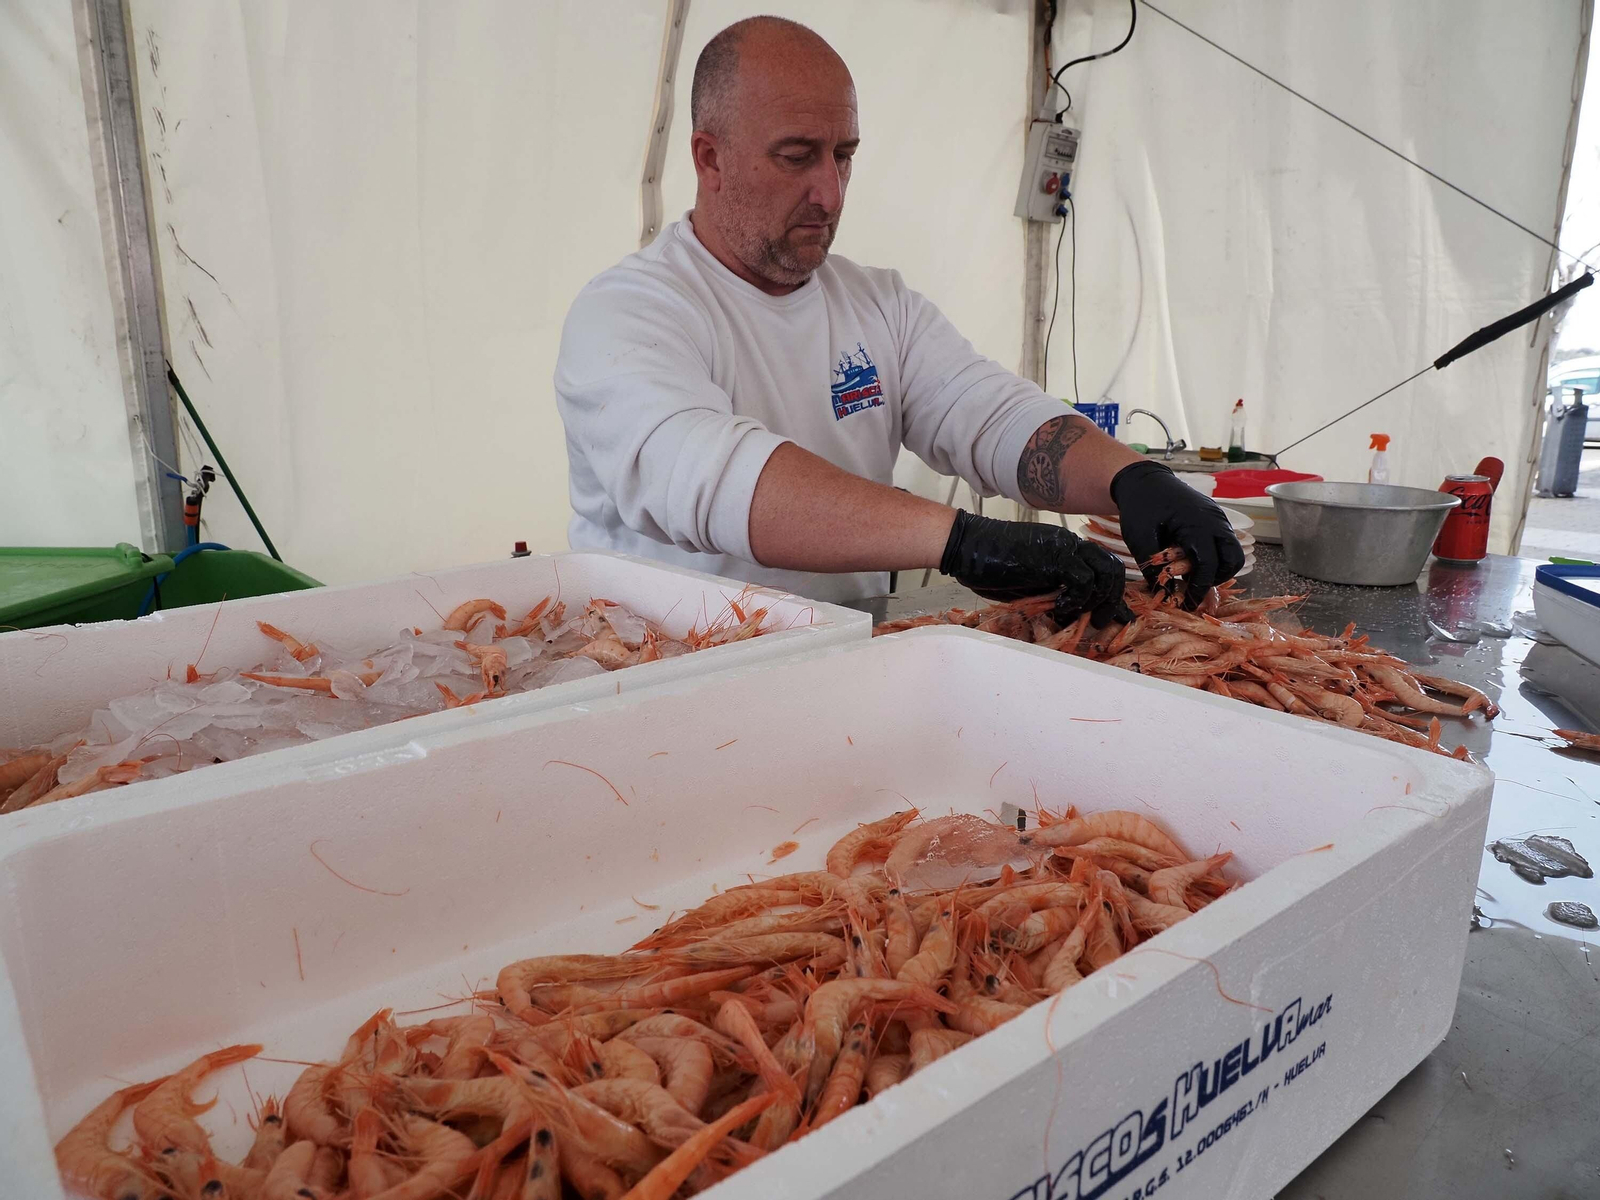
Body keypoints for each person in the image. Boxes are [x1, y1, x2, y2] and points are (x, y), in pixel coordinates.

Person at [555, 16, 1242, 624]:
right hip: (664, 684)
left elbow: (987, 412)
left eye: (844, 155)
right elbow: (711, 478)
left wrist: (1131, 478)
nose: (829, 191)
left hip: (848, 663)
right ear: (710, 158)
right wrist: (959, 541)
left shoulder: (875, 304)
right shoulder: (628, 314)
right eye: (797, 157)